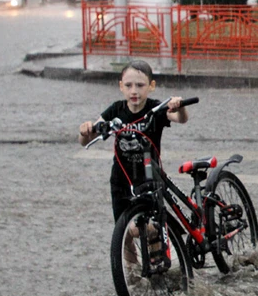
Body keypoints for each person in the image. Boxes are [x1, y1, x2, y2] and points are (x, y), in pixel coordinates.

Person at [78, 59, 188, 221]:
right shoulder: (116, 110)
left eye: (140, 85)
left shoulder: (155, 109)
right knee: (124, 232)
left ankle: (161, 242)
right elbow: (86, 140)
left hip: (149, 176)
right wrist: (85, 130)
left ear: (151, 86)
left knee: (150, 229)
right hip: (120, 179)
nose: (134, 91)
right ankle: (128, 246)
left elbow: (180, 118)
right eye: (128, 86)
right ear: (121, 86)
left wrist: (180, 107)